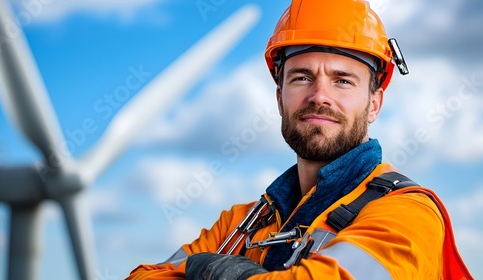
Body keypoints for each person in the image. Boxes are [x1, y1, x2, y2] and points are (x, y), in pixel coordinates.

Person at [127, 0, 473, 279]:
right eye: (302, 77)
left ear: (374, 105)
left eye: (342, 81)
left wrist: (205, 268)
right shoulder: (242, 221)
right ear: (280, 99)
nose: (319, 96)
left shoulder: (409, 216)